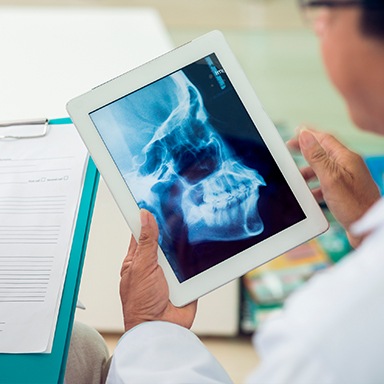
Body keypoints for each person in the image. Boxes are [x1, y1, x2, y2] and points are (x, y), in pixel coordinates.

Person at [67, 0, 384, 383]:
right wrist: (369, 223)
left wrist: (148, 329)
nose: (318, 25)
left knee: (81, 351)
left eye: (324, 9)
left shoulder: (324, 338)